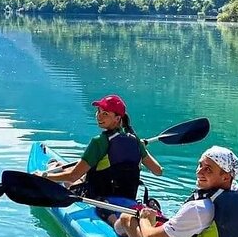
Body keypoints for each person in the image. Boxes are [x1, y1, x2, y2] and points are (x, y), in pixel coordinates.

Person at [35, 94, 163, 225]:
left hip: (97, 200)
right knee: (80, 173)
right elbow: (158, 171)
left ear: (117, 118)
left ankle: (52, 167)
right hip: (128, 201)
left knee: (69, 178)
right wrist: (141, 147)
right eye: (98, 112)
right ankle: (56, 165)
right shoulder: (135, 141)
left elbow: (73, 176)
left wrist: (43, 177)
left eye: (105, 114)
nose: (99, 116)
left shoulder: (99, 142)